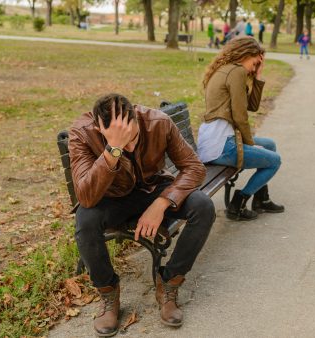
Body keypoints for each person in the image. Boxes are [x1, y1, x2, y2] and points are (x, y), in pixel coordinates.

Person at [69, 94, 215, 336]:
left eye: (131, 137)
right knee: (85, 220)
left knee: (203, 205)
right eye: (119, 141)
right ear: (99, 128)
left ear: (136, 117)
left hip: (153, 189)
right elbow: (86, 197)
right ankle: (108, 295)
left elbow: (194, 168)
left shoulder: (158, 122)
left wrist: (161, 203)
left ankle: (168, 284)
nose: (129, 147)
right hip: (111, 196)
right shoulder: (82, 132)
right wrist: (112, 149)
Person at [198, 37, 284, 221]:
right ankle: (239, 202)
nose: (254, 68)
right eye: (255, 63)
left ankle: (261, 199)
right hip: (221, 146)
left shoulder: (228, 69)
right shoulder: (235, 72)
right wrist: (250, 144)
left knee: (269, 145)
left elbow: (251, 106)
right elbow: (240, 116)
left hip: (218, 138)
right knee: (275, 161)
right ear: (246, 54)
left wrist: (258, 76)